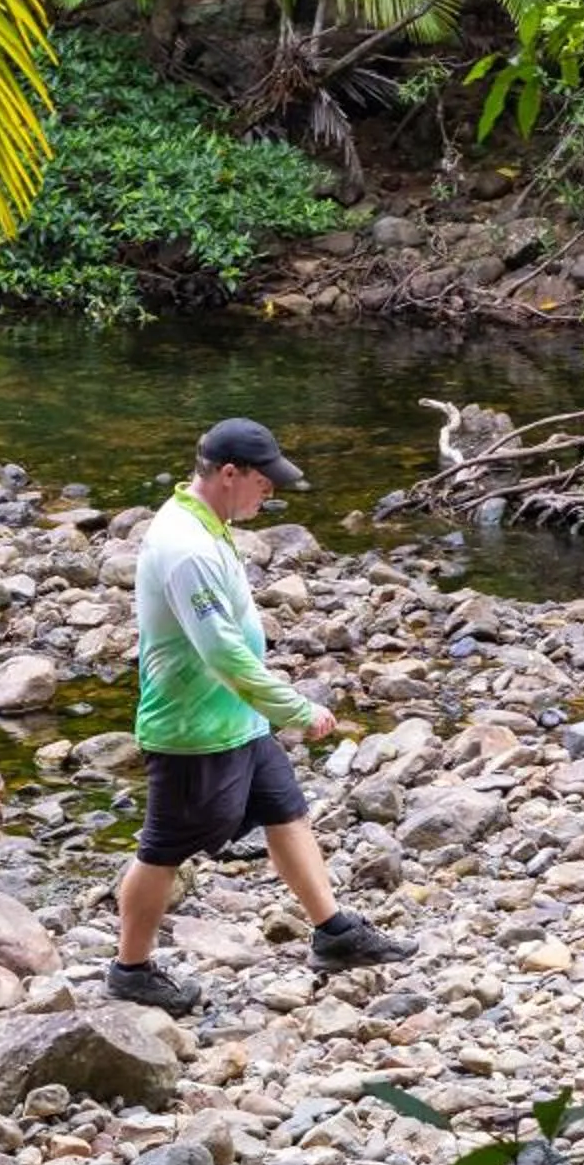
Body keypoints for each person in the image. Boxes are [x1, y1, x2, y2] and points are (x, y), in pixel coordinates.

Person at [109, 417, 413, 1013]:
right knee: (162, 849)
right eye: (263, 483)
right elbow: (219, 649)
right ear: (228, 475)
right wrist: (293, 707)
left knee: (285, 808)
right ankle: (131, 968)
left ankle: (335, 932)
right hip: (191, 729)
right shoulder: (185, 548)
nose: (269, 494)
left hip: (235, 719)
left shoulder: (207, 520)